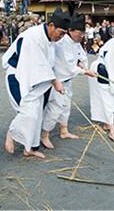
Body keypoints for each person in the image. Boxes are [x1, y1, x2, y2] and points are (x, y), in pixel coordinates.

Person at [2, 8, 70, 158]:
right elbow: (38, 64)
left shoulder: (52, 39)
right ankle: (12, 133)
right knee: (29, 111)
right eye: (61, 32)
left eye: (65, 34)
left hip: (37, 79)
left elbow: (50, 64)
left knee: (37, 112)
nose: (62, 37)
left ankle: (30, 148)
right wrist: (54, 81)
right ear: (51, 25)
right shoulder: (33, 36)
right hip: (19, 75)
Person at [41, 12, 96, 149]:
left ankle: (64, 131)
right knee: (55, 109)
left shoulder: (76, 42)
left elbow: (81, 56)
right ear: (70, 30)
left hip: (68, 80)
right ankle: (44, 135)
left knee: (66, 106)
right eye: (79, 32)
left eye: (83, 32)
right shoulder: (63, 41)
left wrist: (84, 65)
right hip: (57, 81)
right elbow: (69, 65)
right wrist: (84, 71)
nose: (82, 35)